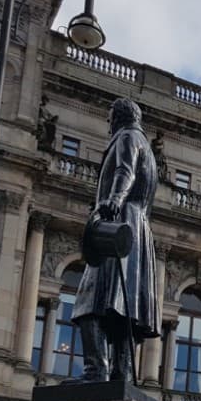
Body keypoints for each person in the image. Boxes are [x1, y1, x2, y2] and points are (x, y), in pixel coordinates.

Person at [71, 98, 159, 385]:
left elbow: (125, 170)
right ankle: (123, 376)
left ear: (119, 118)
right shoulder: (147, 146)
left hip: (119, 225)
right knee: (125, 309)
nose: (109, 125)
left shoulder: (128, 137)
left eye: (110, 119)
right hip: (138, 229)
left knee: (89, 301)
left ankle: (96, 371)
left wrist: (113, 200)